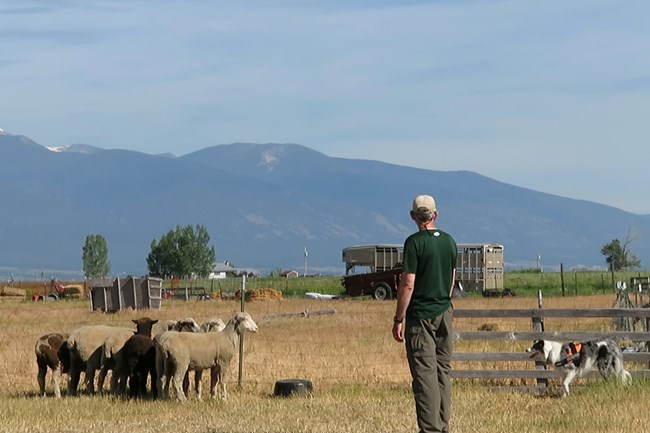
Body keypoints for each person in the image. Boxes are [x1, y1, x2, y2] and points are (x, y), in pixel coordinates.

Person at [392, 194, 457, 433]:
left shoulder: (414, 243)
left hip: (421, 316)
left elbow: (408, 283)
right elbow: (451, 279)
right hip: (444, 311)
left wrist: (399, 318)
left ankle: (429, 429)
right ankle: (442, 426)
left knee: (424, 375)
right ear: (436, 214)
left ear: (413, 216)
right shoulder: (450, 241)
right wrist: (447, 305)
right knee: (442, 372)